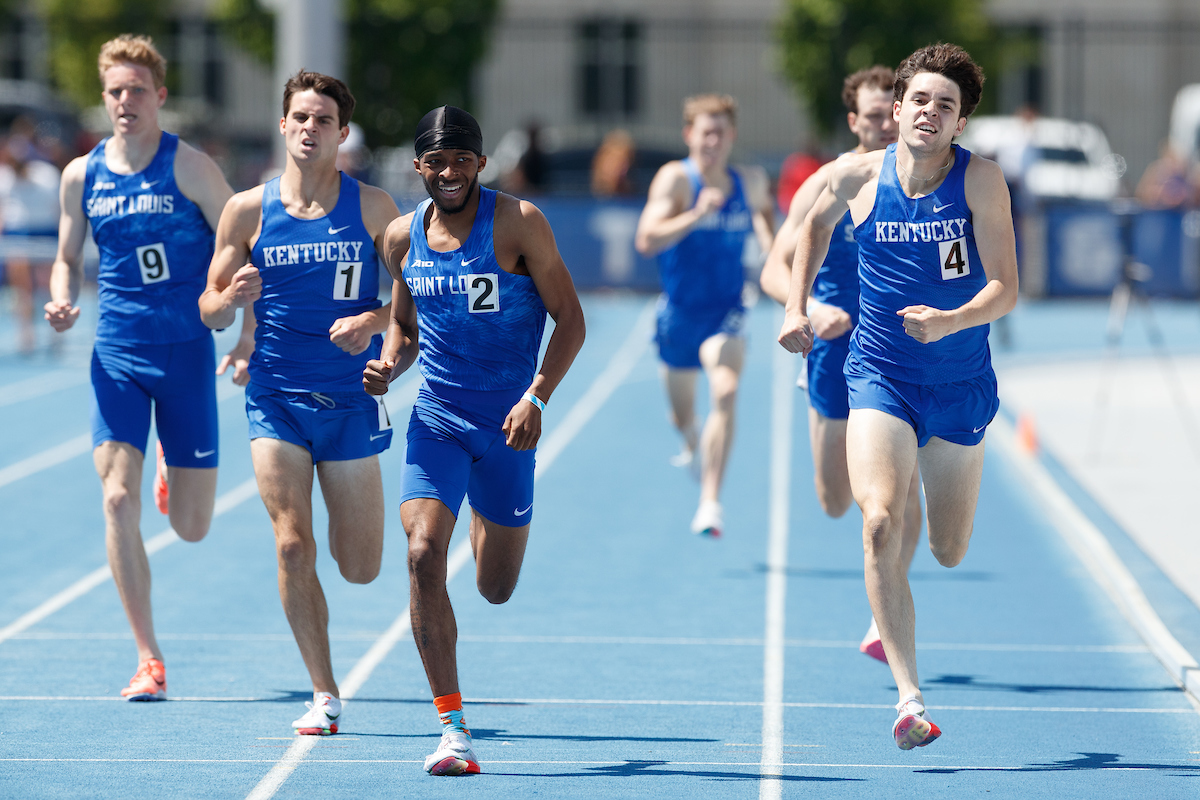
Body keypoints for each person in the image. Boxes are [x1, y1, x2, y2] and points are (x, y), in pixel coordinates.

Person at [777, 43, 1018, 750]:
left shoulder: (981, 183)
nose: (929, 112)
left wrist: (951, 321)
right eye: (920, 99)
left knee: (946, 547)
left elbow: (1005, 286)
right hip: (878, 375)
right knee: (879, 519)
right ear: (899, 106)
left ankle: (935, 521)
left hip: (959, 385)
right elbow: (810, 232)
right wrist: (796, 308)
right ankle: (910, 698)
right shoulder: (853, 176)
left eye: (946, 105)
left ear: (960, 123)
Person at [362, 106, 585, 776]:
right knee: (424, 554)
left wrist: (537, 396)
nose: (451, 172)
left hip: (509, 429)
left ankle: (485, 514)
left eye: (463, 159)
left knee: (493, 587)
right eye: (438, 161)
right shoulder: (401, 238)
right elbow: (403, 326)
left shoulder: (518, 224)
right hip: (438, 419)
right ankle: (453, 728)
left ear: (481, 163)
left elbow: (570, 320)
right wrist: (388, 363)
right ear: (419, 167)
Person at [43, 34, 245, 701]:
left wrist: (242, 327)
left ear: (158, 96)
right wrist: (63, 295)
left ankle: (171, 467)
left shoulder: (189, 168)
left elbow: (241, 237)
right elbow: (69, 255)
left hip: (187, 354)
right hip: (118, 356)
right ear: (103, 100)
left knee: (192, 528)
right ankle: (147, 658)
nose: (124, 102)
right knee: (116, 498)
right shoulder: (82, 175)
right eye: (114, 92)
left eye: (136, 90)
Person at [198, 70, 399, 736]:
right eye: (300, 118)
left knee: (362, 567)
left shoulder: (373, 208)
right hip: (275, 397)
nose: (309, 128)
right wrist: (232, 301)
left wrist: (371, 324)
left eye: (323, 120)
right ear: (282, 125)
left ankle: (329, 660)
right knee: (291, 546)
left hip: (348, 401)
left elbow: (414, 298)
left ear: (343, 133)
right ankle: (324, 693)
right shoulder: (246, 211)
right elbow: (208, 311)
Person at [761, 66, 922, 663]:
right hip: (833, 354)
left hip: (902, 357)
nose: (886, 124)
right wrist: (808, 306)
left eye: (894, 113)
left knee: (901, 499)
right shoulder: (829, 183)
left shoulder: (928, 182)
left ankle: (885, 616)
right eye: (874, 116)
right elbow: (773, 269)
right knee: (835, 499)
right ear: (854, 121)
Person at [634, 93, 774, 537]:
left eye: (721, 132)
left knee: (726, 392)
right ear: (689, 135)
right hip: (678, 314)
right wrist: (695, 214)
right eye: (704, 131)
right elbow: (647, 239)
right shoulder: (676, 179)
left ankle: (710, 501)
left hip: (727, 313)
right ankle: (693, 441)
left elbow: (769, 226)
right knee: (681, 416)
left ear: (731, 136)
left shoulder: (748, 182)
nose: (712, 140)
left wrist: (775, 255)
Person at [1, 135, 61, 352]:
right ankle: (26, 334)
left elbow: (59, 209)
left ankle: (55, 332)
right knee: (22, 289)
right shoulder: (5, 177)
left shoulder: (47, 175)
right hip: (18, 235)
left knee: (48, 285)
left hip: (45, 233)